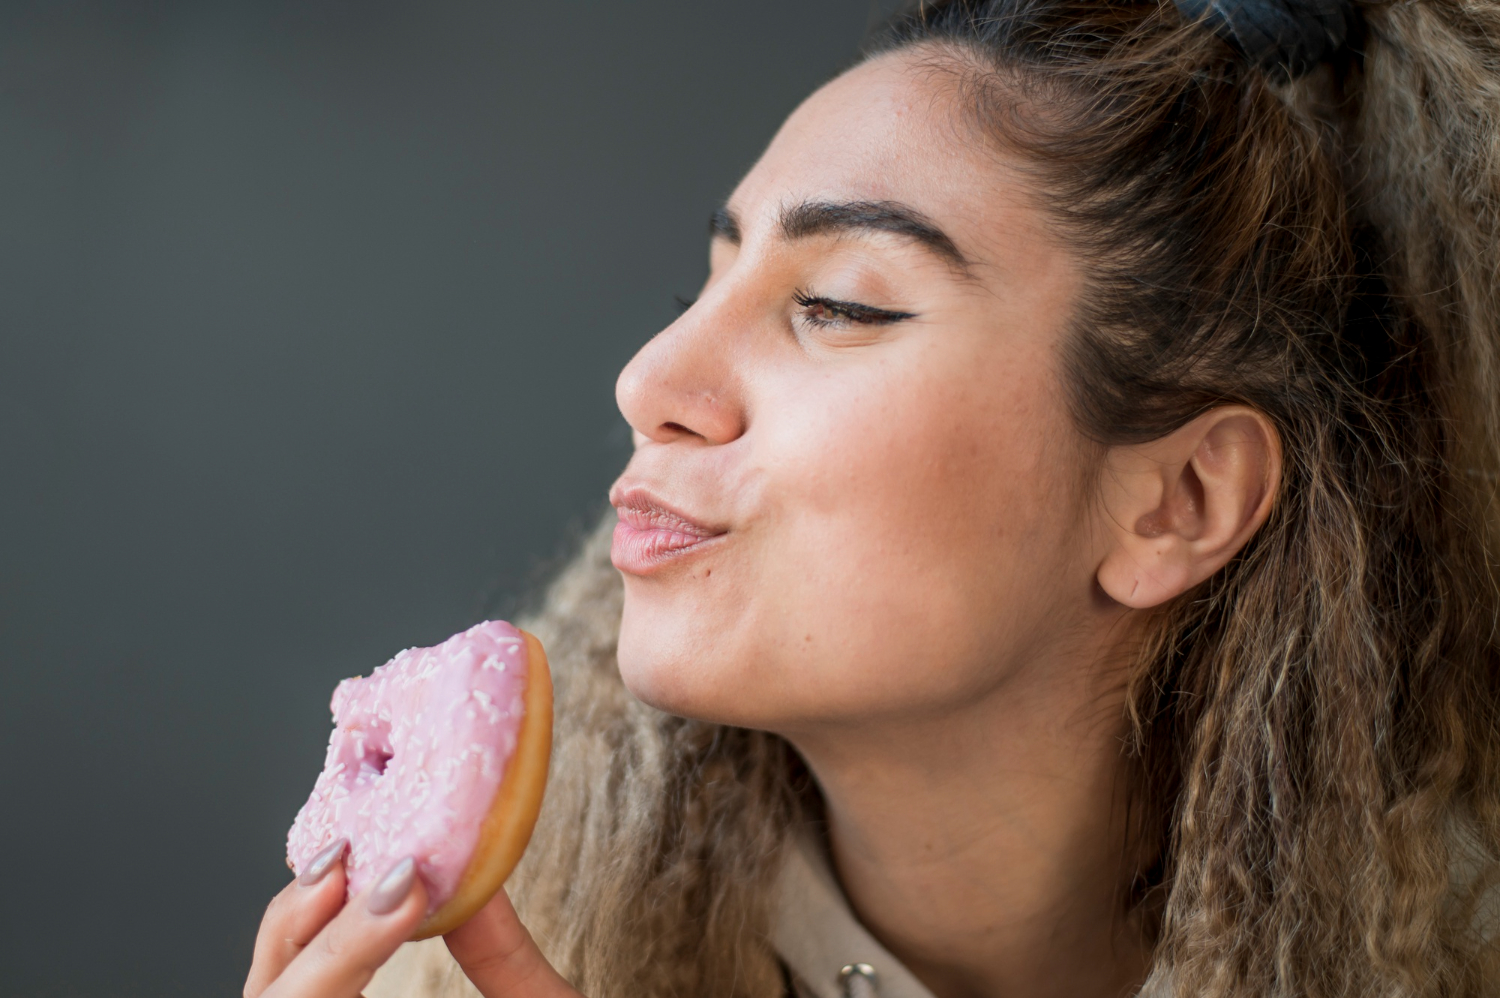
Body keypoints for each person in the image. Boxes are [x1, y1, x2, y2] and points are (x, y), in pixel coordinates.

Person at [242, 1, 1500, 996]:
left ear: (1177, 498)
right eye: (704, 284)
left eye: (837, 305)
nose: (647, 379)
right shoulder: (476, 947)